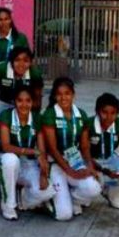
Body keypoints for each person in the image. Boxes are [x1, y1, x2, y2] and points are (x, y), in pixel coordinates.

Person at [42, 77, 101, 221]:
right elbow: (53, 148)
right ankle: (48, 200)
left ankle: (71, 198)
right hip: (56, 164)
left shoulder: (81, 114)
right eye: (59, 94)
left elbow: (85, 146)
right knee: (64, 215)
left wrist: (89, 166)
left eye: (67, 93)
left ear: (73, 94)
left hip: (74, 160)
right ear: (55, 96)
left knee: (94, 188)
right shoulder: (50, 114)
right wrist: (70, 171)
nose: (63, 97)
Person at [0, 88, 54, 220]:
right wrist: (32, 151)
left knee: (48, 191)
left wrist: (43, 173)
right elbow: (6, 146)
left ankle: (22, 197)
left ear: (33, 102)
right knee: (10, 160)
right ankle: (8, 205)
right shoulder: (7, 115)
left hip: (28, 163)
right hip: (9, 160)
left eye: (28, 101)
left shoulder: (36, 117)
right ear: (14, 102)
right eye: (20, 101)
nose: (24, 104)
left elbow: (41, 150)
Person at [82, 92, 119, 209]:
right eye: (104, 112)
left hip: (109, 159)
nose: (109, 117)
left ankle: (113, 196)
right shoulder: (89, 123)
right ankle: (82, 199)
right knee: (92, 188)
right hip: (90, 162)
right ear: (97, 111)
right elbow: (85, 152)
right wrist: (104, 170)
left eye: (113, 113)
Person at [0, 46, 44, 115]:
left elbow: (37, 101)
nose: (21, 65)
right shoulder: (0, 70)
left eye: (25, 61)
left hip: (24, 104)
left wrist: (33, 119)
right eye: (17, 60)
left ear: (31, 62)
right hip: (3, 102)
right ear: (11, 62)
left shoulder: (35, 74)